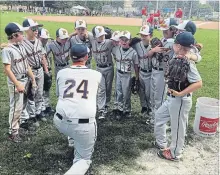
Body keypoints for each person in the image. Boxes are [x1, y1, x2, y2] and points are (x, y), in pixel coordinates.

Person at [154, 32, 202, 161]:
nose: (173, 45)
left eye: (175, 43)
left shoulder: (187, 62)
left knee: (178, 127)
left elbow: (198, 83)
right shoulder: (178, 55)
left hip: (180, 99)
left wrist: (181, 93)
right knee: (159, 116)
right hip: (171, 98)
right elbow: (197, 54)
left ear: (179, 46)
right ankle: (161, 143)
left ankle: (175, 153)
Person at [54, 43, 101, 174]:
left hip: (59, 122)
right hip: (83, 125)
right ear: (87, 57)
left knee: (70, 110)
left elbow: (59, 94)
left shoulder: (61, 73)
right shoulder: (96, 74)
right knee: (83, 160)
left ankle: (72, 140)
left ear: (70, 57)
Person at [1, 22, 36, 142]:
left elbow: (26, 65)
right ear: (15, 35)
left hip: (25, 79)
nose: (23, 35)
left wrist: (33, 78)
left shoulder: (20, 46)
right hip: (16, 80)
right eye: (21, 33)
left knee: (22, 105)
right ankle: (13, 132)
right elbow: (7, 69)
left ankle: (18, 126)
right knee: (16, 107)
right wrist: (17, 84)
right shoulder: (7, 50)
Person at [21, 18, 49, 126]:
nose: (36, 30)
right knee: (31, 93)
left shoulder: (38, 41)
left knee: (40, 92)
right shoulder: (22, 43)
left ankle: (38, 112)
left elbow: (42, 56)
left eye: (37, 28)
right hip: (30, 71)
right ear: (26, 30)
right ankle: (32, 116)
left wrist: (46, 70)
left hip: (40, 70)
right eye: (33, 28)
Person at [112, 31, 139, 120]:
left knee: (126, 93)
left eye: (126, 40)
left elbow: (135, 65)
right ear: (119, 40)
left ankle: (127, 110)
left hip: (127, 75)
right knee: (118, 92)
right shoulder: (116, 49)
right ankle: (119, 109)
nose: (124, 41)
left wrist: (137, 77)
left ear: (130, 40)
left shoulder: (133, 52)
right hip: (118, 73)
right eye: (122, 39)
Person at [132, 25, 153, 118]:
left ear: (150, 35)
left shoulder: (154, 45)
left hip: (151, 73)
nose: (143, 37)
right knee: (141, 91)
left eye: (145, 35)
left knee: (149, 92)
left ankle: (150, 107)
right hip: (141, 72)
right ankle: (144, 107)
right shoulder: (137, 45)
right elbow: (126, 44)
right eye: (141, 35)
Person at [37, 28, 55, 116]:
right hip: (40, 70)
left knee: (47, 89)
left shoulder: (47, 44)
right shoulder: (36, 45)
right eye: (43, 38)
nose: (45, 40)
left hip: (47, 68)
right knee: (40, 91)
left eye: (46, 38)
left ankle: (46, 106)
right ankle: (41, 109)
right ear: (38, 36)